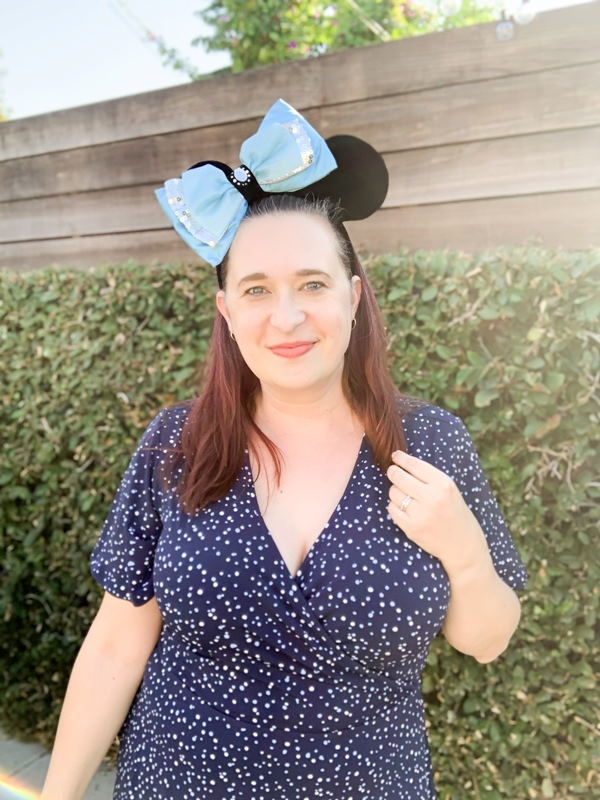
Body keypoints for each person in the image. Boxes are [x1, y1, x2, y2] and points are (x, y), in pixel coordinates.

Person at [41, 99, 528, 800]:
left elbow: (486, 639)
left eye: (312, 284)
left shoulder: (430, 441)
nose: (288, 316)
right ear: (228, 312)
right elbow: (118, 646)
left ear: (354, 297)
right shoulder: (175, 444)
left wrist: (465, 552)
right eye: (257, 290)